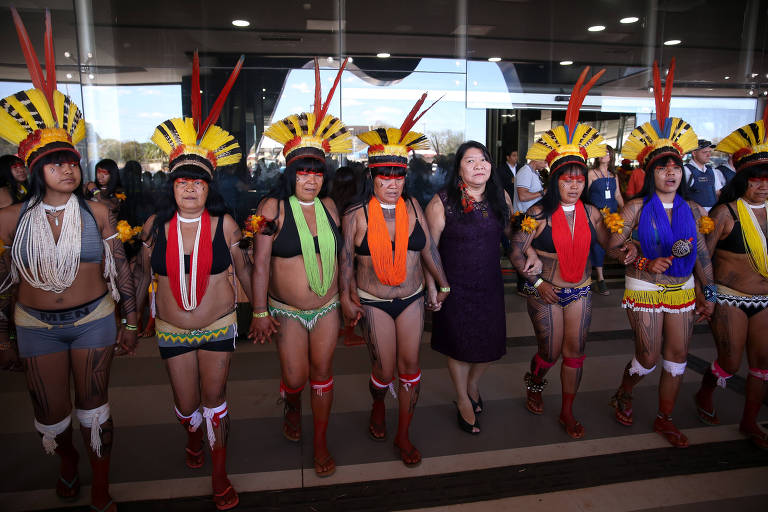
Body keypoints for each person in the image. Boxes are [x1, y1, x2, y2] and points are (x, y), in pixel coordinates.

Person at [0, 9, 137, 511]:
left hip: (95, 320)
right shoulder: (11, 218)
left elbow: (120, 268)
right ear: (34, 170)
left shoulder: (99, 211)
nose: (68, 167)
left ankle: (100, 483)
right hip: (34, 324)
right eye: (55, 162)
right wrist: (2, 336)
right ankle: (67, 464)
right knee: (50, 410)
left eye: (71, 160)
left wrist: (131, 320)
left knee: (95, 406)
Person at [134, 52, 250, 511]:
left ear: (209, 187)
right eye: (182, 180)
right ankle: (192, 435)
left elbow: (242, 270)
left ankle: (219, 475)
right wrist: (133, 319)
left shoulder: (226, 226)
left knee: (215, 398)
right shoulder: (151, 227)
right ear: (172, 186)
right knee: (186, 404)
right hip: (171, 329)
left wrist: (257, 312)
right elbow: (144, 275)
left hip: (219, 325)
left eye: (198, 182)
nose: (189, 188)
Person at [510, 68, 636, 439]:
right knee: (549, 352)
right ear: (554, 179)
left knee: (575, 351)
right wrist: (535, 282)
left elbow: (610, 246)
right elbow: (517, 252)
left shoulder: (594, 213)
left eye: (580, 177)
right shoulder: (537, 214)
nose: (575, 183)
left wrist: (626, 249)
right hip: (545, 291)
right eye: (567, 177)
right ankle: (535, 382)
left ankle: (566, 411)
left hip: (579, 290)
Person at [250, 57, 351, 477]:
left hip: (326, 308)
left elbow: (343, 256)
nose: (310, 180)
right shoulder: (271, 208)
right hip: (286, 311)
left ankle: (321, 443)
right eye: (302, 173)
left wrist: (345, 296)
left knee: (322, 373)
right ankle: (291, 403)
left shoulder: (330, 206)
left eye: (316, 173)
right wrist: (258, 312)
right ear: (290, 174)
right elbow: (259, 266)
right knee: (295, 376)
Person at [609, 59, 715, 448]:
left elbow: (702, 254)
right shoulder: (635, 208)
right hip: (645, 287)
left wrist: (711, 293)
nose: (670, 173)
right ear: (650, 173)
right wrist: (641, 259)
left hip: (683, 289)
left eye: (676, 167)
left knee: (678, 355)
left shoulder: (694, 210)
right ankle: (625, 389)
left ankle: (665, 417)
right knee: (649, 356)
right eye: (662, 168)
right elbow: (612, 245)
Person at [341, 93, 449, 466]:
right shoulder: (355, 214)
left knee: (409, 366)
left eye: (398, 174)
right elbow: (345, 262)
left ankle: (403, 434)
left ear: (406, 176)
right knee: (383, 370)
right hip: (373, 301)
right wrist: (346, 297)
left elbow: (428, 251)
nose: (392, 181)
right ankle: (377, 404)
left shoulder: (415, 207)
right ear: (371, 176)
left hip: (413, 297)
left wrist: (443, 284)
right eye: (384, 175)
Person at [425, 141, 514, 434]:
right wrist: (434, 287)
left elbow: (511, 238)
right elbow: (430, 251)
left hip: (489, 284)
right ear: (459, 168)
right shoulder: (442, 202)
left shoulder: (500, 197)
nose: (479, 165)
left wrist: (531, 258)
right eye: (470, 161)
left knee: (489, 344)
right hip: (454, 287)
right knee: (459, 346)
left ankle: (473, 384)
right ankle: (462, 397)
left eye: (483, 160)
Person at [694, 106, 768, 448]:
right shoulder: (726, 212)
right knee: (729, 359)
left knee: (762, 362)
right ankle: (706, 390)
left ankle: (750, 421)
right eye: (756, 178)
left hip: (765, 299)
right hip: (729, 296)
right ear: (743, 179)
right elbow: (703, 253)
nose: (763, 185)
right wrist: (704, 293)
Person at [587, 145, 624, 295]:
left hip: (613, 216)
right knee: (597, 245)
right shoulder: (591, 173)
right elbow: (585, 195)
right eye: (601, 152)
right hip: (596, 215)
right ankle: (600, 280)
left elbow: (618, 195)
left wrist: (628, 211)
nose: (604, 154)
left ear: (611, 156)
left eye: (607, 152)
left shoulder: (613, 175)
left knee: (612, 243)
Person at [684, 139, 725, 212]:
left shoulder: (712, 170)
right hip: (694, 215)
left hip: (713, 215)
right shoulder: (686, 170)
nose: (709, 155)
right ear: (694, 153)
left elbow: (718, 193)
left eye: (709, 152)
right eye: (705, 152)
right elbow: (680, 196)